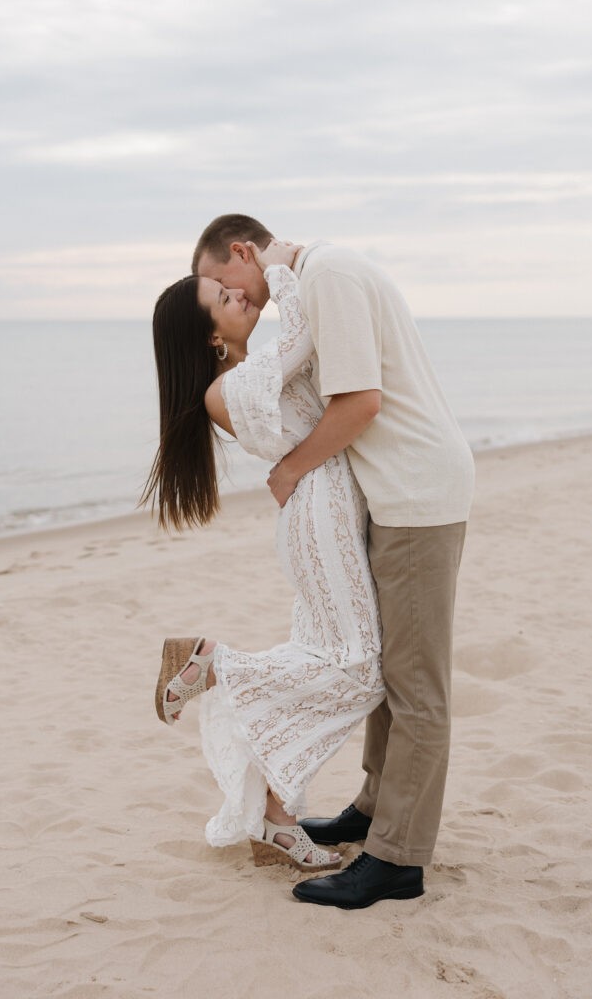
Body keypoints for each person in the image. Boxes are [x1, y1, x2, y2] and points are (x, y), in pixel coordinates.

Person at [194, 215, 475, 909]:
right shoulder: (312, 283)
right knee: (388, 664)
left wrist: (290, 469)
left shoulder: (329, 277)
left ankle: (397, 860)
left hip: (414, 493)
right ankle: (376, 810)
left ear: (242, 251)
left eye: (223, 283)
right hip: (394, 491)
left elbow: (361, 402)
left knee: (416, 686)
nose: (234, 300)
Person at [142, 240, 387, 876]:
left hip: (326, 509)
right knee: (360, 667)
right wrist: (282, 264)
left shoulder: (252, 372)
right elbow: (303, 332)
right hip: (318, 516)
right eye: (224, 299)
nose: (241, 295)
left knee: (324, 655)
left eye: (232, 288)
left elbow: (306, 350)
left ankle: (279, 820)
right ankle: (213, 662)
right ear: (209, 338)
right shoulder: (229, 388)